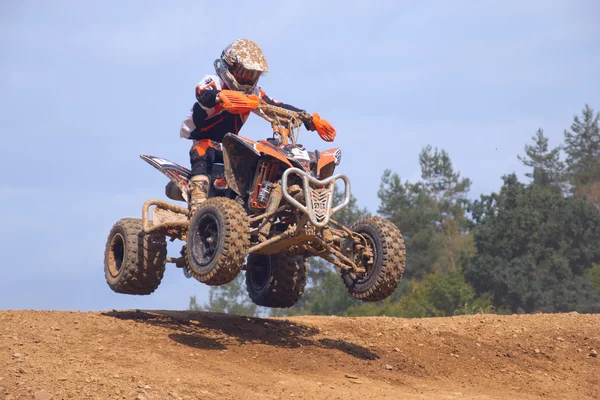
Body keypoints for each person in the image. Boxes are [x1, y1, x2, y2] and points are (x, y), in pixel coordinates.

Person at [180, 38, 332, 214]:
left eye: (253, 75)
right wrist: (220, 96)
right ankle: (198, 205)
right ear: (229, 66)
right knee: (203, 149)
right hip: (204, 141)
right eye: (244, 73)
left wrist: (309, 119)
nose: (248, 79)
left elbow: (275, 106)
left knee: (256, 155)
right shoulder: (214, 81)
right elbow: (202, 93)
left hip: (228, 147)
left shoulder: (253, 93)